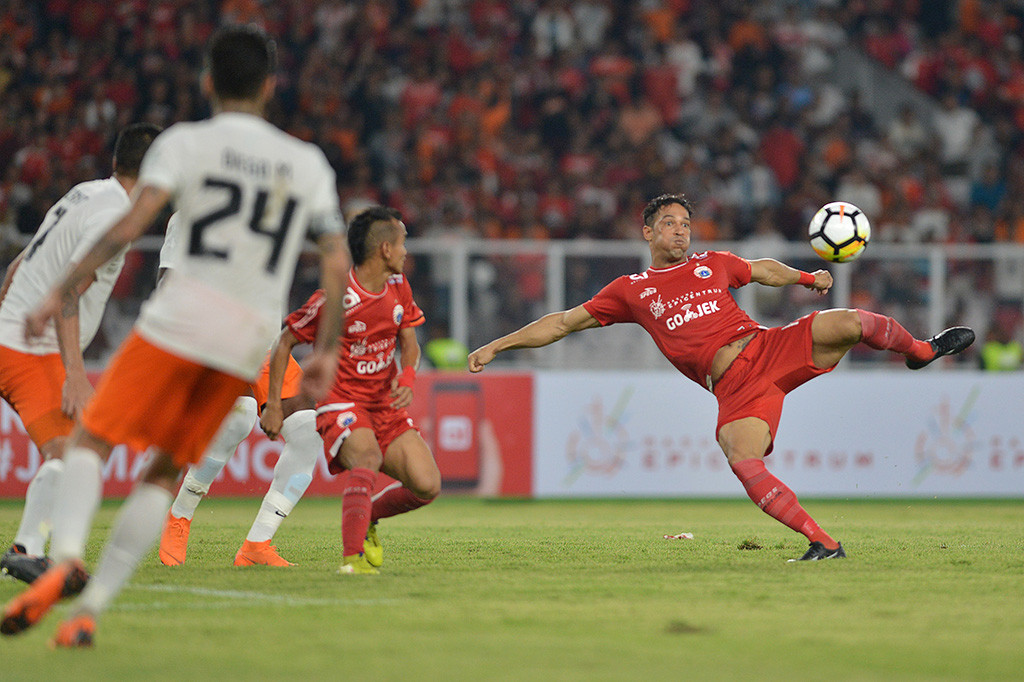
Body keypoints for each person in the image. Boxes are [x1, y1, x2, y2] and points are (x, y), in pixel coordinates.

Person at [0, 24, 349, 648]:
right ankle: (90, 611)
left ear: (207, 81)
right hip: (245, 337)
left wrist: (60, 288)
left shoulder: (185, 144)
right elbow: (335, 260)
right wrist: (323, 351)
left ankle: (70, 556)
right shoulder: (307, 164)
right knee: (165, 471)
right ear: (272, 86)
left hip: (178, 320)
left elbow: (129, 226)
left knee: (91, 439)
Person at [468, 193, 975, 562]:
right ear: (647, 233)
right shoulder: (631, 290)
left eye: (685, 223)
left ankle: (921, 350)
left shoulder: (714, 264)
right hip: (733, 386)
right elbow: (562, 323)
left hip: (770, 347)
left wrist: (806, 278)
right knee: (742, 455)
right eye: (669, 224)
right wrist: (498, 344)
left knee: (851, 320)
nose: (681, 231)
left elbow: (761, 270)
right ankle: (823, 543)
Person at [0, 122, 161, 584]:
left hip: (14, 341)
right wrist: (74, 373)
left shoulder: (84, 194)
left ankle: (28, 548)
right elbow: (68, 292)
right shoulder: (117, 219)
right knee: (73, 454)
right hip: (33, 350)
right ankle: (27, 549)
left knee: (75, 450)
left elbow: (17, 265)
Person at [277, 206, 439, 575]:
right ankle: (352, 560)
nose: (405, 252)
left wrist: (409, 378)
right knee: (367, 459)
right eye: (402, 244)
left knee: (427, 485)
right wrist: (274, 403)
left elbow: (410, 345)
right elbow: (285, 340)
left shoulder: (398, 286)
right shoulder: (337, 297)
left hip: (385, 403)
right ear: (384, 249)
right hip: (342, 400)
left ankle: (368, 518)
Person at [155, 213, 323, 568]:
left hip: (265, 347)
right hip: (213, 345)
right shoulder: (192, 212)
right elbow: (167, 280)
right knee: (238, 420)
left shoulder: (277, 214)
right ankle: (180, 516)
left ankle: (257, 544)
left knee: (309, 432)